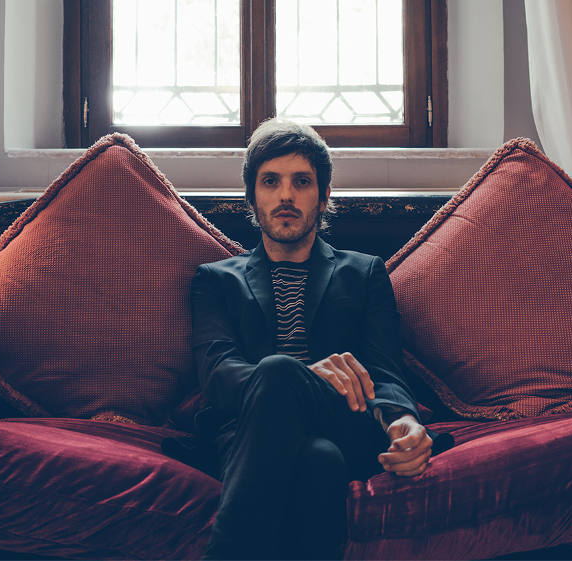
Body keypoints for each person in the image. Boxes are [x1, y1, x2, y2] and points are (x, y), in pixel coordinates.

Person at [189, 118, 450, 560]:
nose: (285, 196)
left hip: (343, 417)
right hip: (247, 430)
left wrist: (403, 420)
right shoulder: (215, 280)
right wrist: (301, 375)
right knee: (318, 459)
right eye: (270, 182)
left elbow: (385, 369)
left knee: (280, 373)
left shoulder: (364, 273)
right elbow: (217, 374)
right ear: (252, 197)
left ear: (324, 195)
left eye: (302, 182)